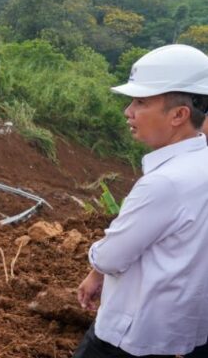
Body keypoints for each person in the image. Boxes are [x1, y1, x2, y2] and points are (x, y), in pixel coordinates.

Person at [74, 44, 208, 358]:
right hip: (180, 332)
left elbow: (110, 258)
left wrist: (96, 261)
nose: (128, 112)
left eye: (141, 102)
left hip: (131, 334)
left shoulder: (164, 183)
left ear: (178, 114)